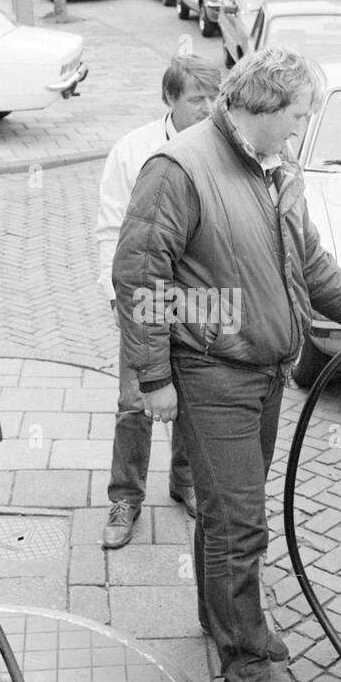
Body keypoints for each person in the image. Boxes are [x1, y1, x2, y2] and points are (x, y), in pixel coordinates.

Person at [112, 47, 341, 682]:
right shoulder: (179, 169)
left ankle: (222, 622)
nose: (303, 127)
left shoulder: (277, 167)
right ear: (261, 106)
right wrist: (154, 378)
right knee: (241, 526)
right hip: (212, 374)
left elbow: (310, 263)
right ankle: (247, 670)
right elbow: (140, 277)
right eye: (299, 114)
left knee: (225, 518)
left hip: (265, 373)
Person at [96, 52, 222, 549]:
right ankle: (125, 497)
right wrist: (116, 297)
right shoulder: (133, 151)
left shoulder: (225, 147)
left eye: (215, 97)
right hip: (147, 296)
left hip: (204, 298)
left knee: (196, 394)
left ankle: (184, 481)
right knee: (136, 399)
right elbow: (110, 227)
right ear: (169, 98)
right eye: (197, 99)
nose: (208, 108)